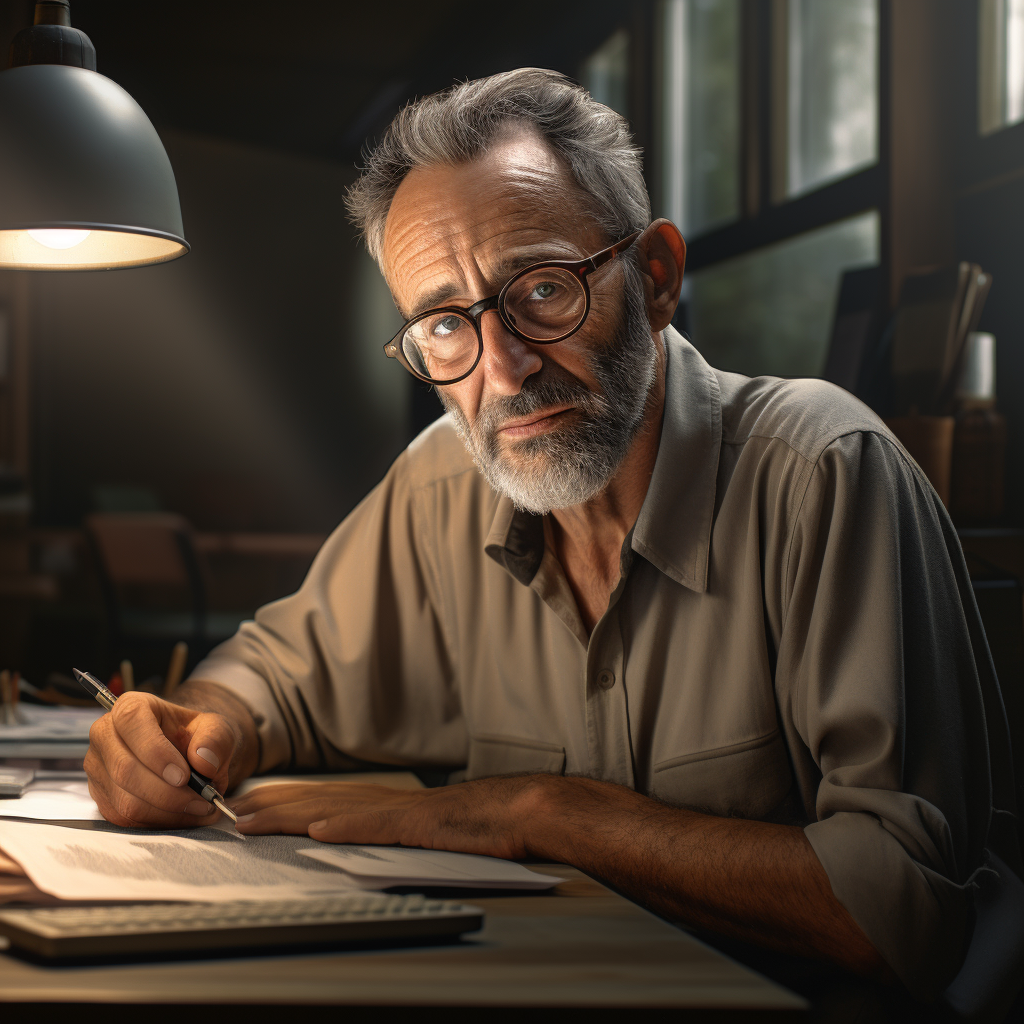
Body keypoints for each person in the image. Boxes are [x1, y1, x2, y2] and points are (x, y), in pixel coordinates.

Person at [84, 69, 1019, 1007]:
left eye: (542, 288)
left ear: (654, 277)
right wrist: (195, 732)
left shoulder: (823, 470)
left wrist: (537, 811)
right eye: (446, 323)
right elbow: (274, 676)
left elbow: (901, 912)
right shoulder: (441, 478)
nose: (504, 368)